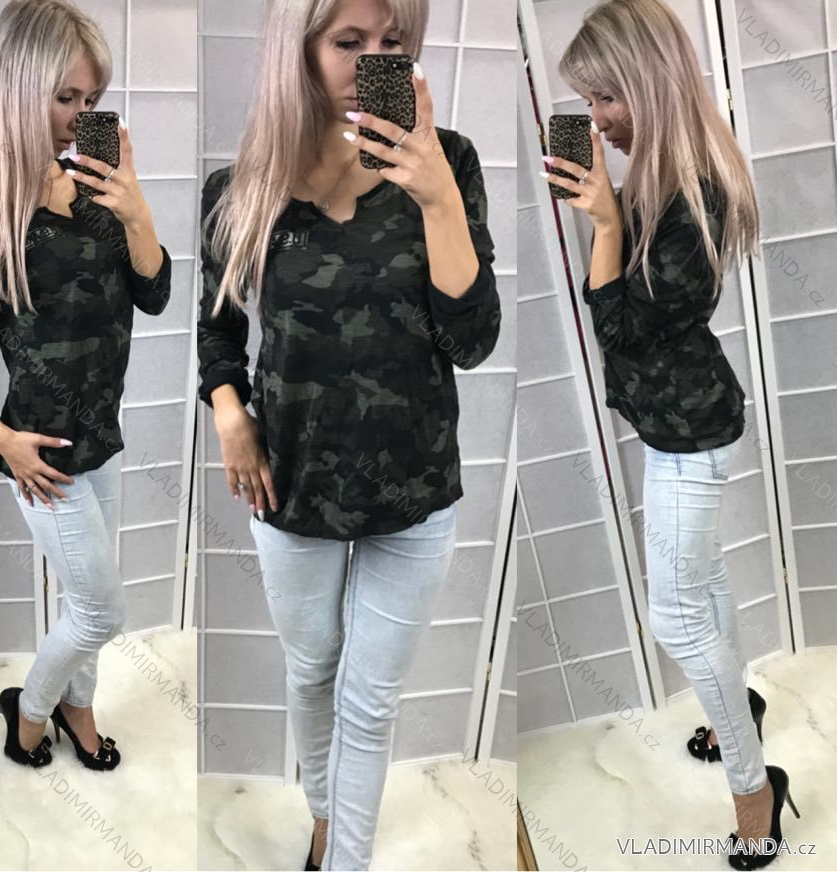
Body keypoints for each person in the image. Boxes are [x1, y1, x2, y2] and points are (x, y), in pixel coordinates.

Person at [196, 0, 500, 867]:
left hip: (416, 485)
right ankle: (327, 815)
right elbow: (219, 332)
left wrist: (437, 198)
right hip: (290, 481)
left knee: (369, 701)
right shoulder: (242, 186)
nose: (374, 60)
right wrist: (230, 413)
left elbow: (474, 342)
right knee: (312, 670)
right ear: (298, 48)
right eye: (348, 41)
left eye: (392, 42)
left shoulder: (449, 162)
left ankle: (345, 855)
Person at [544, 0, 801, 867]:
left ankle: (755, 787)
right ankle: (742, 712)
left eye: (607, 97)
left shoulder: (695, 195)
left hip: (691, 433)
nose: (595, 120)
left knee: (676, 615)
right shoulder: (656, 181)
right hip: (674, 425)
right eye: (587, 101)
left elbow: (620, 328)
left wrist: (604, 222)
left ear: (650, 86)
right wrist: (612, 210)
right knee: (704, 585)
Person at [0, 0, 171, 772]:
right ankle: (28, 711)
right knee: (101, 609)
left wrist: (136, 212)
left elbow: (155, 294)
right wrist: (2, 438)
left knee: (84, 601)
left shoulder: (99, 195)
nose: (79, 117)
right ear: (19, 88)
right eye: (65, 96)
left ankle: (78, 708)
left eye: (91, 99)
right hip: (42, 451)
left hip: (104, 439)